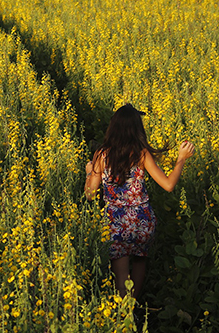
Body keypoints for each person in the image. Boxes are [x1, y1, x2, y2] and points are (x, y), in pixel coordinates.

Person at [84, 103, 195, 300]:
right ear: (137, 129)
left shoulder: (101, 155)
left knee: (120, 274)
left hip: (115, 222)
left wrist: (89, 173)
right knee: (140, 261)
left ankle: (125, 313)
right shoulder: (142, 154)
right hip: (142, 221)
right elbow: (168, 185)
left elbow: (90, 194)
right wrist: (181, 159)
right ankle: (134, 304)